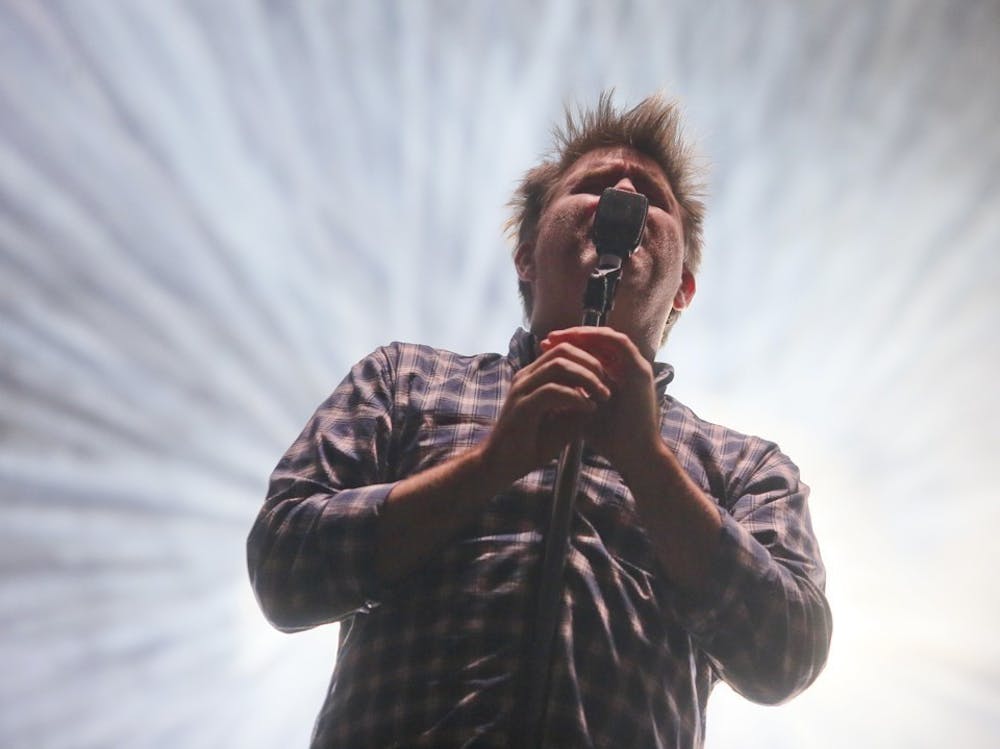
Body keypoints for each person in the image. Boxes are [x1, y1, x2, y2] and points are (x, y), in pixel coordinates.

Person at [247, 91, 832, 748]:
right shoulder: (404, 380)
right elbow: (285, 564)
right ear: (527, 254)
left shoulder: (743, 466)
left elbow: (787, 653)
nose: (623, 190)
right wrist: (488, 467)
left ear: (683, 290)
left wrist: (648, 463)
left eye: (653, 195)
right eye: (590, 185)